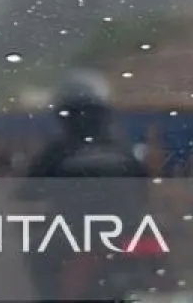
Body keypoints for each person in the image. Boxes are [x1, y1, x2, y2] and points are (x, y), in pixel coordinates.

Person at [22, 69, 149, 300]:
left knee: (38, 255)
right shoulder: (123, 151)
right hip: (123, 236)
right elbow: (144, 188)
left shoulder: (56, 153)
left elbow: (28, 192)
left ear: (62, 114)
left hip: (74, 239)